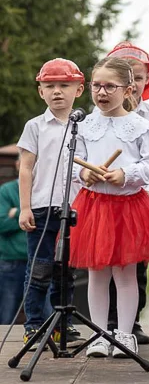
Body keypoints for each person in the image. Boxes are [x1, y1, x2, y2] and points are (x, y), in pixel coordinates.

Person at [69, 57, 149, 357]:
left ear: (128, 91)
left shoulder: (141, 125)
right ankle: (100, 334)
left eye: (109, 87)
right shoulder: (85, 124)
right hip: (94, 205)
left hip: (127, 205)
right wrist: (84, 173)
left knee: (125, 274)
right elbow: (71, 162)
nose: (101, 92)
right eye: (96, 86)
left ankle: (125, 334)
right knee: (97, 273)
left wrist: (124, 174)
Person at [103, 41, 149, 345]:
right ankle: (106, 321)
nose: (133, 83)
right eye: (127, 75)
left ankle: (132, 322)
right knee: (105, 259)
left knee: (136, 263)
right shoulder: (99, 115)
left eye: (139, 77)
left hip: (139, 198)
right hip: (105, 199)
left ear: (146, 81)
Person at [17, 58, 85, 348]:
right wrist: (25, 206)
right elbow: (26, 167)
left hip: (73, 209)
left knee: (66, 273)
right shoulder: (35, 126)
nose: (57, 91)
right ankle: (33, 325)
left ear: (78, 90)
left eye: (64, 85)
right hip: (43, 207)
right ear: (40, 91)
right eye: (50, 86)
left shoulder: (85, 125)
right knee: (39, 270)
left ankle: (62, 324)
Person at [0, 156, 27, 325]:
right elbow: (1, 223)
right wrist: (23, 213)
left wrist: (15, 212)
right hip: (12, 262)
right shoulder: (6, 190)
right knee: (7, 313)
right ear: (17, 165)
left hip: (40, 261)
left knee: (48, 313)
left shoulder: (41, 190)